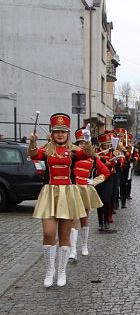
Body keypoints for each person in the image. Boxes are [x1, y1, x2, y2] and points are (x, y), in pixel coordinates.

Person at [27, 113, 93, 287]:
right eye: (56, 131)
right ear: (52, 132)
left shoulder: (73, 151)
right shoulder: (46, 150)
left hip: (68, 194)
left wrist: (87, 140)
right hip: (49, 193)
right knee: (48, 232)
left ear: (68, 134)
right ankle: (50, 270)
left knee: (64, 234)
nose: (60, 134)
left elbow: (88, 154)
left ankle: (62, 271)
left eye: (63, 131)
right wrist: (33, 142)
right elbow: (34, 155)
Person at [69, 127, 110, 260]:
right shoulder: (72, 156)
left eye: (84, 142)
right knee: (73, 219)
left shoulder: (93, 158)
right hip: (73, 188)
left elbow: (106, 172)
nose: (81, 145)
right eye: (79, 143)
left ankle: (84, 245)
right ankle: (73, 250)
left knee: (84, 218)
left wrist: (94, 181)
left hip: (85, 189)